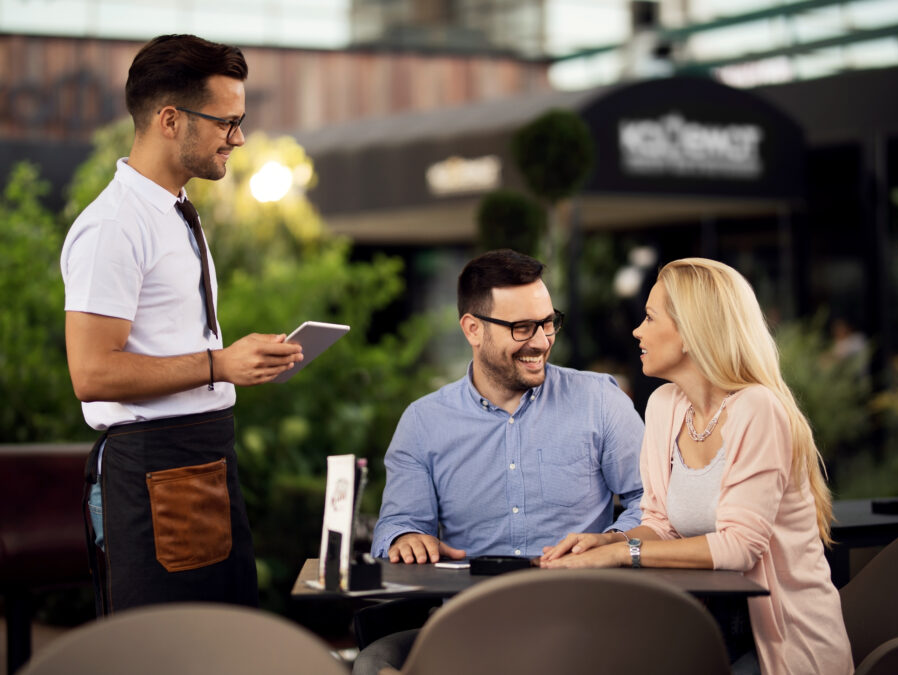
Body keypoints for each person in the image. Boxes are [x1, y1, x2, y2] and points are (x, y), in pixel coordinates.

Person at [61, 34, 303, 614]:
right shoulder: (114, 226)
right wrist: (220, 365)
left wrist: (237, 365)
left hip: (203, 460)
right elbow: (92, 373)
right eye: (227, 122)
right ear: (171, 119)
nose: (238, 138)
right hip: (153, 470)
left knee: (223, 643)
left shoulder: (174, 209)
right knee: (166, 651)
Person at [541, 258, 853, 675]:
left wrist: (624, 555)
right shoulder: (664, 406)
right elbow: (661, 524)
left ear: (690, 331)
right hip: (707, 625)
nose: (637, 330)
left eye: (650, 317)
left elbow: (741, 546)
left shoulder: (757, 408)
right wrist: (607, 542)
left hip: (782, 646)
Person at [355, 249, 644, 675]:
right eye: (523, 327)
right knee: (373, 663)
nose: (542, 341)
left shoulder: (600, 401)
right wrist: (405, 538)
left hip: (583, 623)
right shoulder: (423, 422)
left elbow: (652, 502)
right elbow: (398, 523)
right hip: (470, 626)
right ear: (472, 329)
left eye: (548, 323)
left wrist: (611, 543)